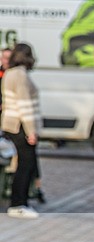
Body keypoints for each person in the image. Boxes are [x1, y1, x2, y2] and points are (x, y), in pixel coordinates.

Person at [1, 43, 43, 219]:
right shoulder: (20, 75)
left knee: (23, 164)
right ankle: (18, 203)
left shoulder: (10, 73)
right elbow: (24, 104)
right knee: (26, 164)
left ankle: (19, 202)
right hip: (19, 125)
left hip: (11, 123)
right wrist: (31, 131)